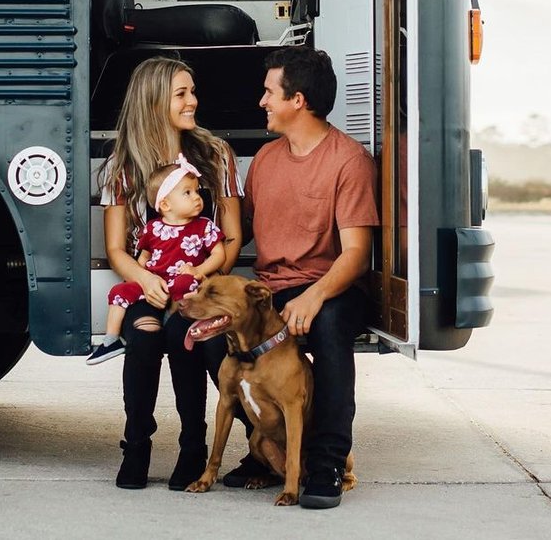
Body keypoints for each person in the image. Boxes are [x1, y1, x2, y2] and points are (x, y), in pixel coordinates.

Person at [243, 45, 378, 509]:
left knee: (330, 329)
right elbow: (236, 232)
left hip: (330, 283)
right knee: (209, 334)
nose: (262, 102)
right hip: (273, 286)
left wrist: (313, 298)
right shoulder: (264, 160)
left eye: (269, 93)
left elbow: (357, 254)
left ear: (297, 100)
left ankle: (326, 463)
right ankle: (266, 448)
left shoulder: (348, 160)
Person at [100, 55, 244, 490]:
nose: (192, 101)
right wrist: (145, 280)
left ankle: (193, 447)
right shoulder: (123, 165)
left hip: (200, 285)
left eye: (192, 92)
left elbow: (232, 239)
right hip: (149, 286)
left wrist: (200, 279)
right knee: (143, 338)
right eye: (181, 93)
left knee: (189, 337)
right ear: (153, 100)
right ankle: (137, 446)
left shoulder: (215, 155)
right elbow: (114, 247)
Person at [89, 156, 226, 365]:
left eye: (197, 191)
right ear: (165, 204)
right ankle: (111, 339)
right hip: (155, 283)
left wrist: (198, 270)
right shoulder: (153, 228)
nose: (197, 197)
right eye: (187, 193)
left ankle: (172, 321)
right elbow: (144, 257)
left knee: (185, 284)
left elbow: (219, 254)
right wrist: (141, 279)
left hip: (183, 279)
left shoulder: (204, 226)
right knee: (119, 291)